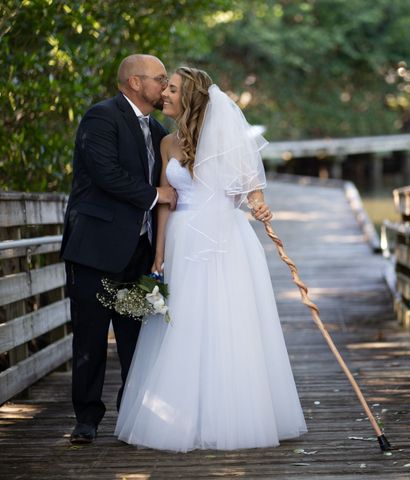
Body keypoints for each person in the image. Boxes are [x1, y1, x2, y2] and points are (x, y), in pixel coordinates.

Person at [114, 67, 307, 452]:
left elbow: (251, 189)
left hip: (225, 240)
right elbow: (166, 203)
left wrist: (260, 207)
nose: (164, 94)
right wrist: (159, 253)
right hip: (183, 241)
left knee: (226, 321)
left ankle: (230, 415)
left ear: (190, 98)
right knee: (181, 324)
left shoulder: (227, 140)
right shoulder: (167, 143)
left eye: (171, 89)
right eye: (164, 87)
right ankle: (181, 417)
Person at [61, 54, 178, 444]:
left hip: (139, 253)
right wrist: (155, 194)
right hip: (95, 249)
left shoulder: (159, 130)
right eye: (160, 79)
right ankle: (87, 419)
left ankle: (132, 415)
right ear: (134, 82)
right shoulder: (101, 117)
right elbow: (105, 173)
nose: (164, 86)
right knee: (91, 337)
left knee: (135, 338)